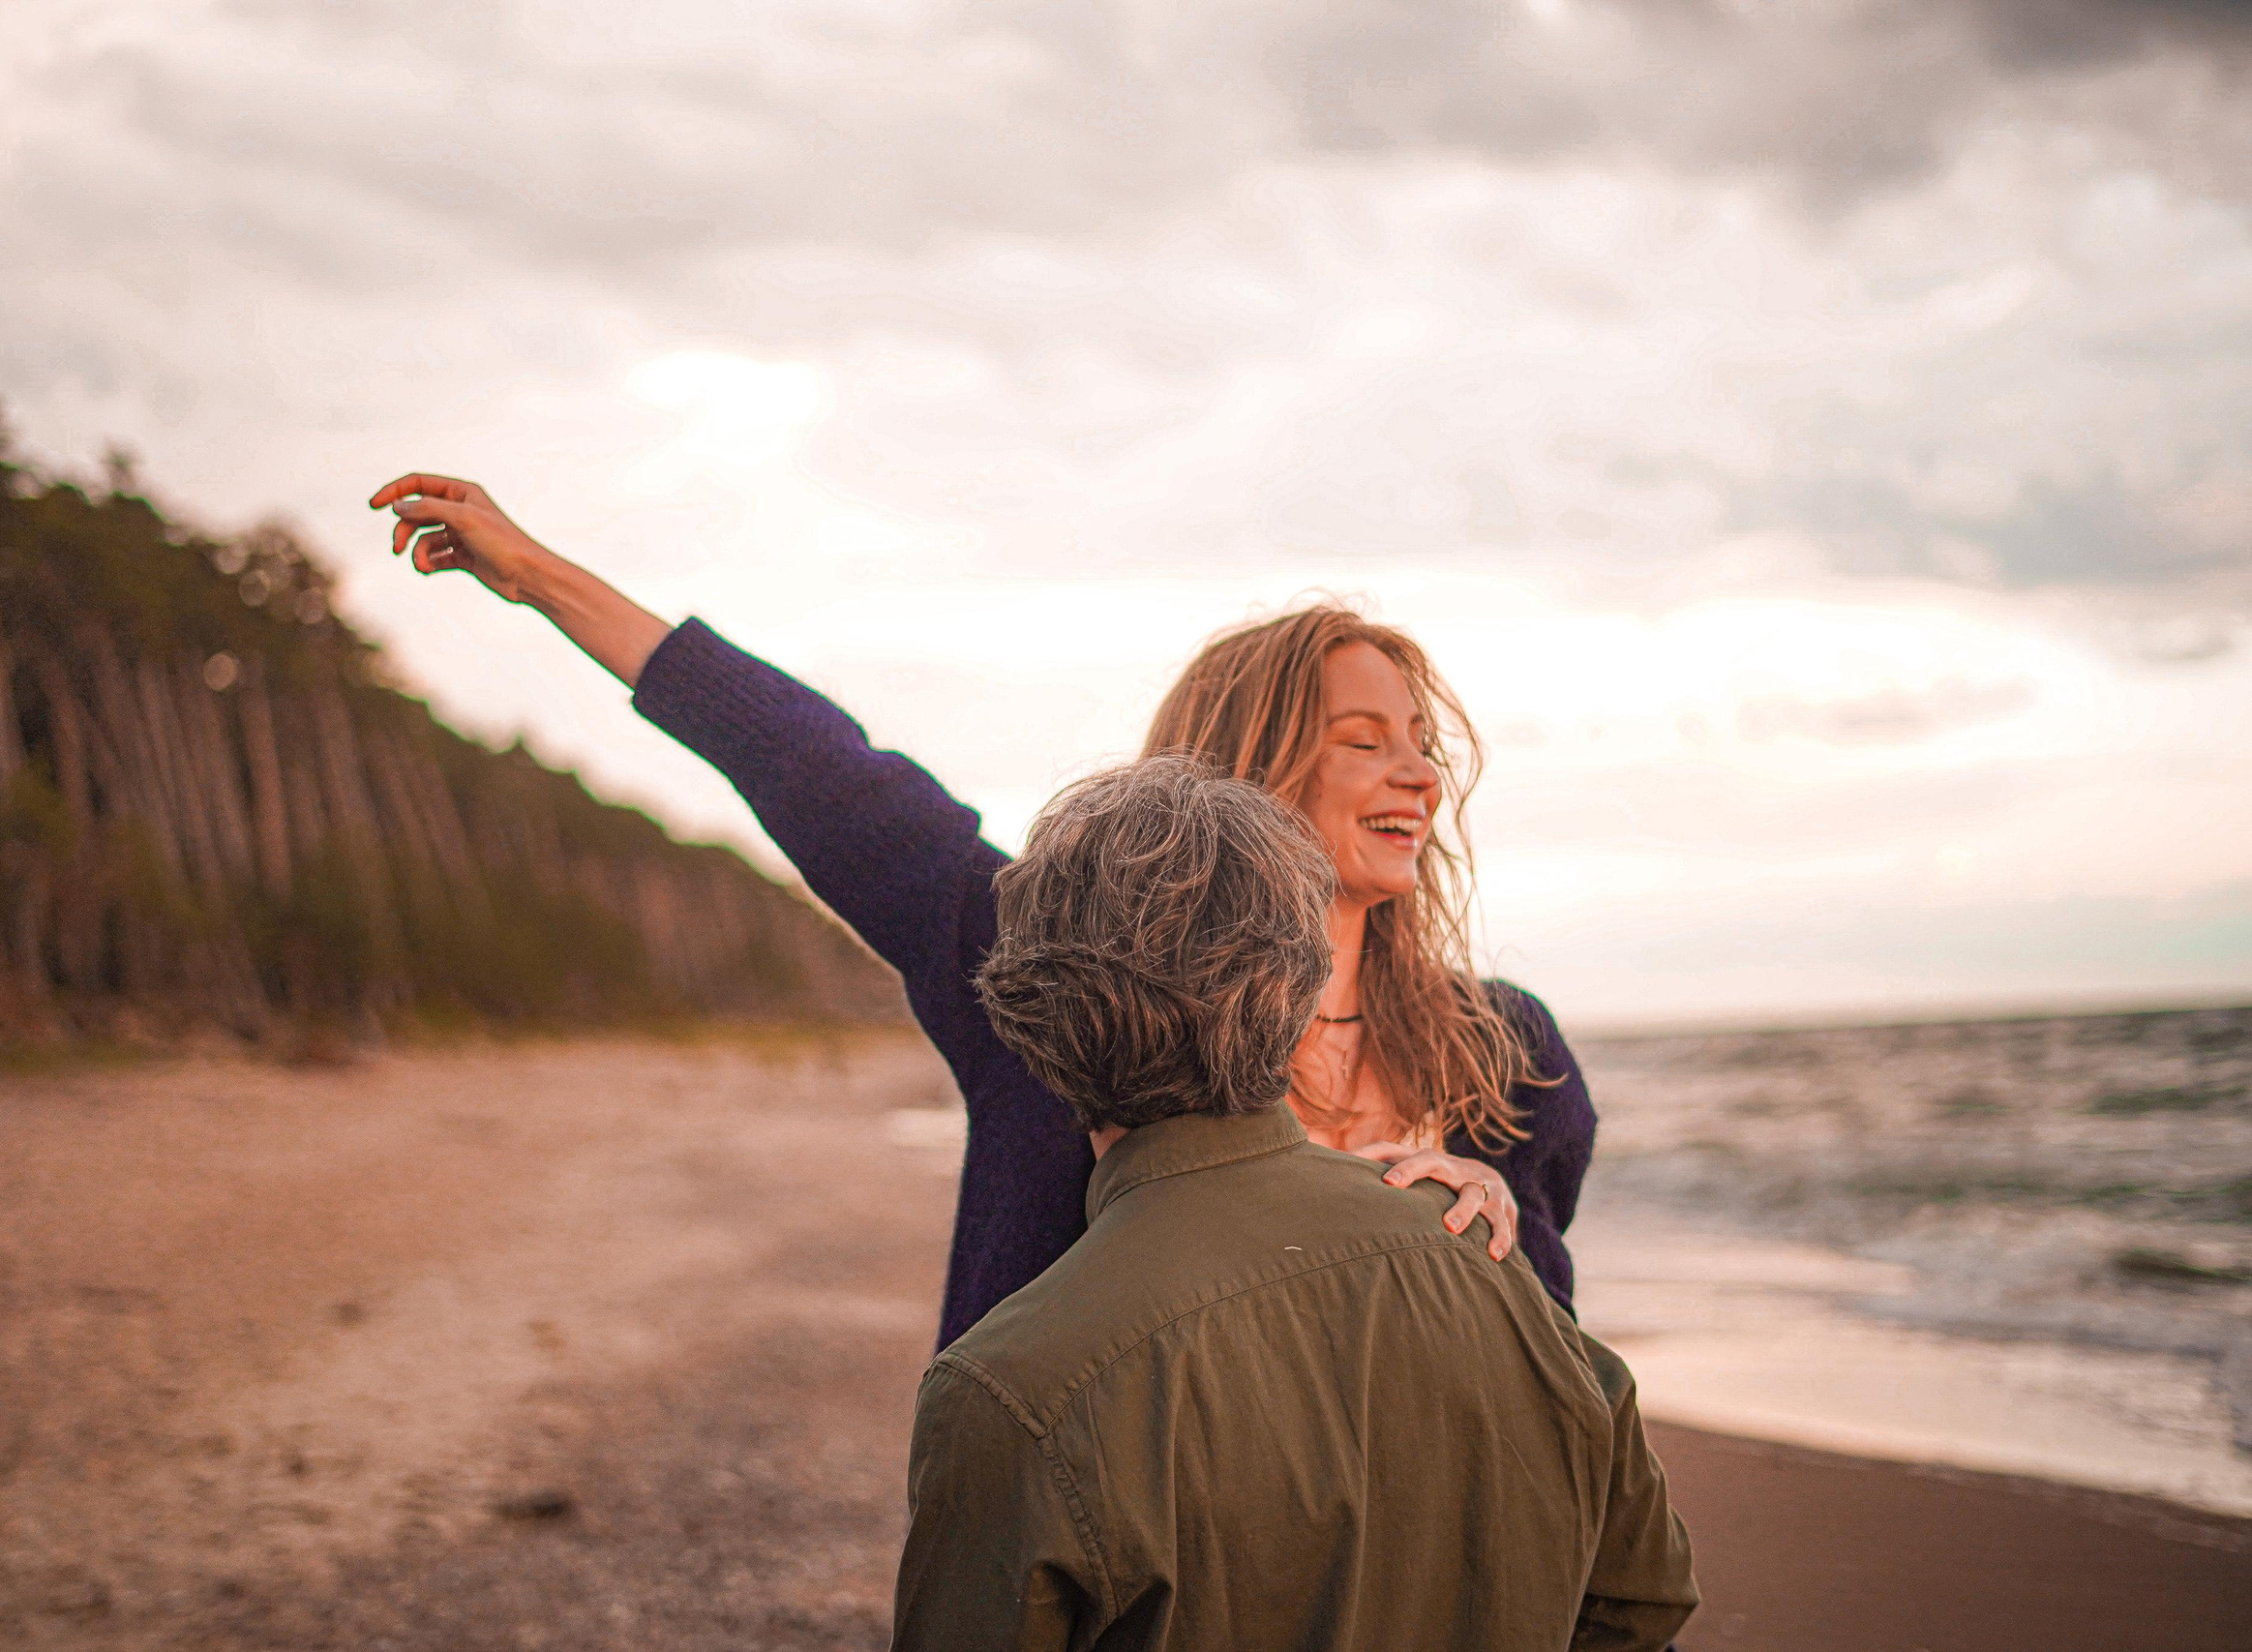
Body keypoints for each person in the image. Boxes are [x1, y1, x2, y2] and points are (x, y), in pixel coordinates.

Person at [369, 473, 1597, 1347]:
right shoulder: (1059, 983)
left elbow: (1546, 1359)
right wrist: (539, 578)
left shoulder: (1502, 1049)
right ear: (1246, 764)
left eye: (1422, 745)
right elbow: (819, 771)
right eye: (1364, 742)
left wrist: (1471, 1227)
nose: (1419, 775)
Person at [893, 754, 1697, 1651]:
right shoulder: (1490, 1264)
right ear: (1301, 985)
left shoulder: (1007, 1393)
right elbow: (1643, 1598)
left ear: (1031, 1013)